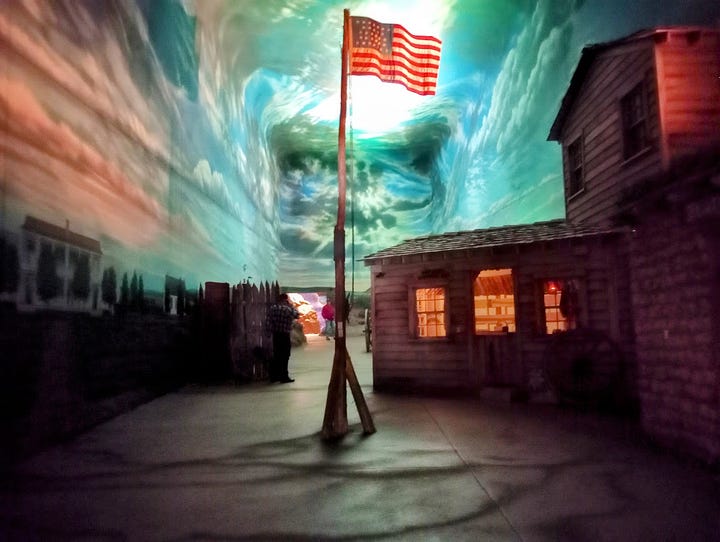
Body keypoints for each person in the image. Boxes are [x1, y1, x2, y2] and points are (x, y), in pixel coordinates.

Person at [265, 293, 300, 383]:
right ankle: (284, 376)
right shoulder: (287, 309)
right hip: (284, 335)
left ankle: (274, 376)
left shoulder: (272, 309)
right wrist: (291, 306)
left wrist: (268, 333)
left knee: (277, 355)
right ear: (285, 300)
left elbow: (268, 322)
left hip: (276, 335)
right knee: (285, 356)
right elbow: (297, 315)